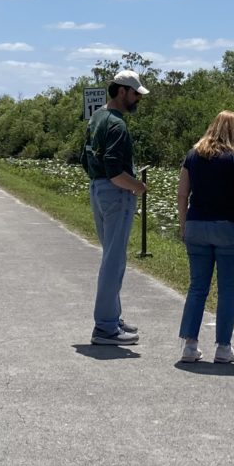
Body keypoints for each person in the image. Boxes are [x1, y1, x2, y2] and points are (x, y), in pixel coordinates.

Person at [176, 110, 234, 364]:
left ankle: (190, 346)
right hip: (229, 230)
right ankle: (223, 347)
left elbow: (182, 194)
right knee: (227, 290)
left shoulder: (193, 155)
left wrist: (183, 226)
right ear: (233, 131)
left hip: (196, 227)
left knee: (197, 287)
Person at [84, 69, 148, 346]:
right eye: (135, 94)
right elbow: (114, 170)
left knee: (113, 257)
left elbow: (83, 157)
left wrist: (101, 183)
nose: (138, 100)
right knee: (114, 261)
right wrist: (138, 186)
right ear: (122, 91)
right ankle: (106, 327)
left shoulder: (97, 117)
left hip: (97, 190)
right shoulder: (118, 125)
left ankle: (112, 317)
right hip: (115, 192)